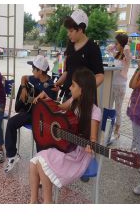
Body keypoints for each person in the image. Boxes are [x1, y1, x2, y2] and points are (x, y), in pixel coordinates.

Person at [29, 68, 101, 203]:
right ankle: (33, 201)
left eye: (73, 85)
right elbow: (60, 109)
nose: (70, 87)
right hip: (67, 145)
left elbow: (93, 139)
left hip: (79, 154)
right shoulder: (74, 99)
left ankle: (48, 203)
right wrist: (49, 100)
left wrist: (91, 145)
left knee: (42, 161)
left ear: (83, 89)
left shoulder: (95, 111)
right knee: (34, 163)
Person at [4, 55, 57, 173]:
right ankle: (12, 155)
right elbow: (23, 78)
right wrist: (23, 88)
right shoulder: (35, 78)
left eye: (34, 69)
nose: (32, 71)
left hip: (42, 118)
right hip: (29, 112)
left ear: (40, 71)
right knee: (11, 122)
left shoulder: (50, 86)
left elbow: (52, 106)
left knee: (39, 133)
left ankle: (42, 165)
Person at [54, 9, 104, 102]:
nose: (68, 34)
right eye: (68, 31)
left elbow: (100, 76)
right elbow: (68, 71)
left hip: (84, 99)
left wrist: (84, 90)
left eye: (71, 31)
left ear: (80, 29)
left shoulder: (93, 47)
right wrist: (58, 83)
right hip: (68, 96)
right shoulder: (71, 45)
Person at [107, 33, 131, 140]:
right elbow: (109, 50)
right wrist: (113, 47)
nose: (115, 45)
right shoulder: (117, 55)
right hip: (112, 84)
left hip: (120, 86)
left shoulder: (127, 55)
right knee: (109, 107)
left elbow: (126, 51)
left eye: (117, 43)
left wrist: (126, 44)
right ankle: (109, 128)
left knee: (118, 109)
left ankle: (117, 130)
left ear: (121, 44)